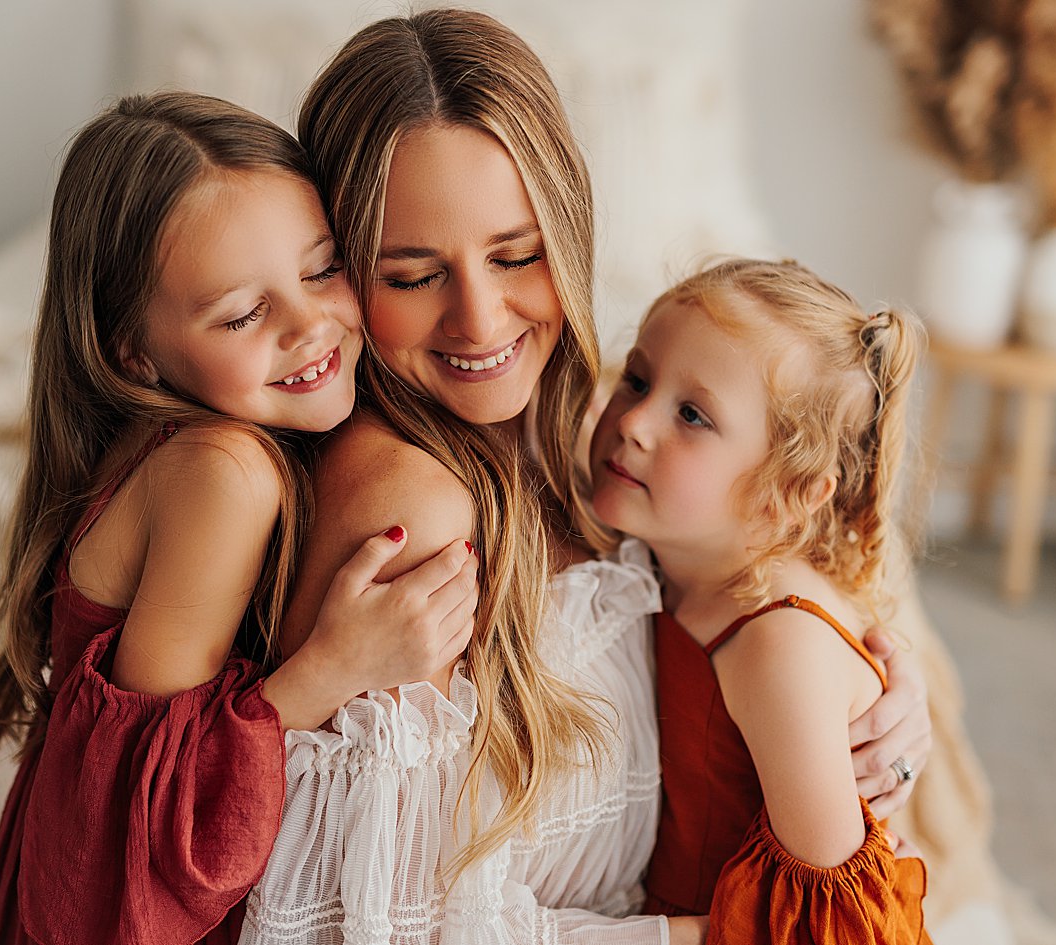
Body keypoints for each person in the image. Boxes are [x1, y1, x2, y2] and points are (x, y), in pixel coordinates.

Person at [236, 12, 932, 943]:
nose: (481, 322)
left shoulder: (583, 442)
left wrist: (874, 689)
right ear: (342, 280)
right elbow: (388, 927)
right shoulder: (418, 517)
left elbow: (748, 581)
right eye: (412, 276)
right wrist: (721, 932)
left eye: (517, 256)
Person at [0, 92, 476, 944]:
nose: (312, 325)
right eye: (243, 313)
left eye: (321, 269)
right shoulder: (225, 474)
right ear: (132, 349)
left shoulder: (185, 437)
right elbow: (146, 830)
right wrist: (334, 665)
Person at [587, 258, 932, 940]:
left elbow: (836, 922)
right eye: (636, 378)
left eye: (692, 414)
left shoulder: (778, 646)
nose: (633, 422)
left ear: (787, 495)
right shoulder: (685, 550)